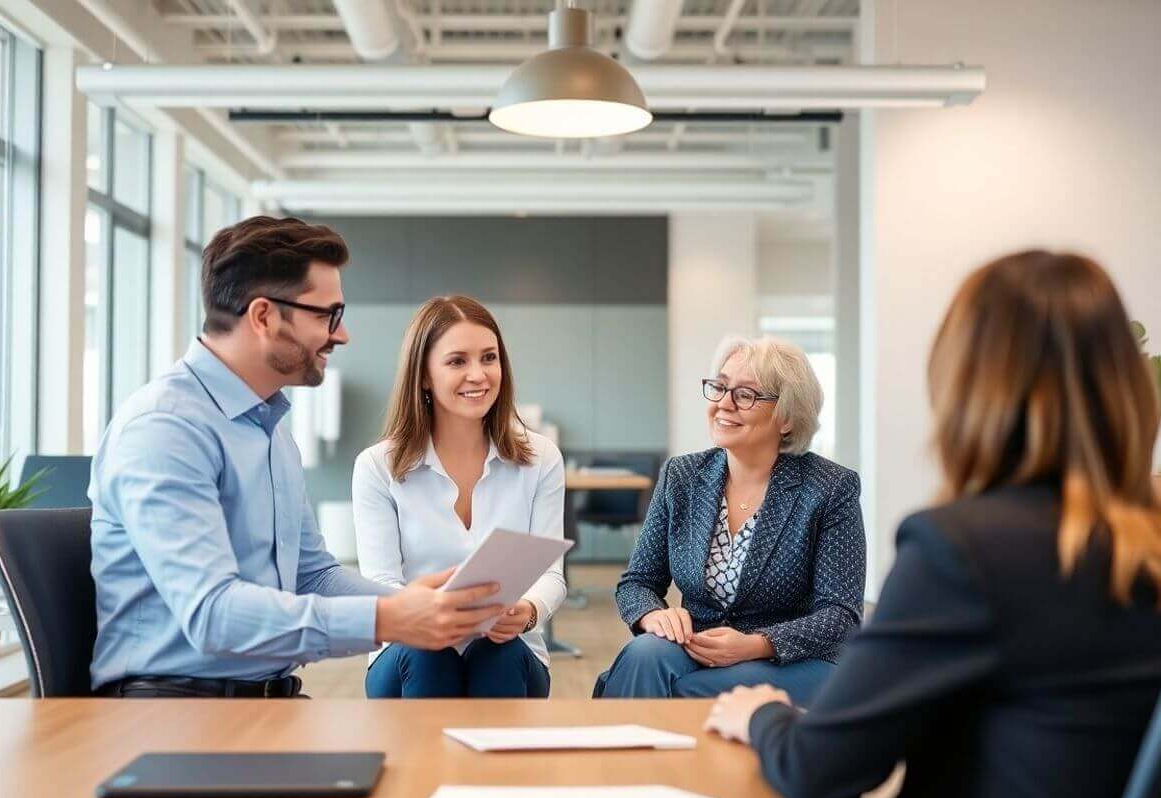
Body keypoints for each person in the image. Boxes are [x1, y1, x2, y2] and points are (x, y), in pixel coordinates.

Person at [705, 250, 1161, 798]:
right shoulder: (1141, 543)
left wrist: (762, 718)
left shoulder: (965, 550)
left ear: (968, 383)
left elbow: (819, 770)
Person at [88, 217, 499, 698]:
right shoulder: (166, 428)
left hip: (266, 700)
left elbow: (312, 574)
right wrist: (389, 618)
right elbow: (213, 614)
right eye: (328, 315)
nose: (341, 335)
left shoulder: (269, 430)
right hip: (171, 709)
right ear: (263, 317)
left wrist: (416, 605)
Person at [595, 336, 865, 706]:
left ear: (786, 417)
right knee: (645, 654)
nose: (723, 403)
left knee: (679, 692)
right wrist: (653, 616)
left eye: (745, 395)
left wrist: (755, 644)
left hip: (791, 658)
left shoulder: (830, 488)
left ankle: (636, 761)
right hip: (698, 645)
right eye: (720, 387)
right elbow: (637, 582)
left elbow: (841, 615)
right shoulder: (682, 476)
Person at [353, 295, 566, 698]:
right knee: (428, 652)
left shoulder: (540, 459)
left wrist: (527, 611)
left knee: (497, 654)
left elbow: (551, 574)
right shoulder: (377, 466)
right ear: (424, 375)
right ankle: (424, 763)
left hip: (509, 648)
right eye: (457, 361)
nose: (479, 375)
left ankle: (497, 763)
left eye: (489, 358)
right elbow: (380, 583)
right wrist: (431, 617)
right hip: (409, 653)